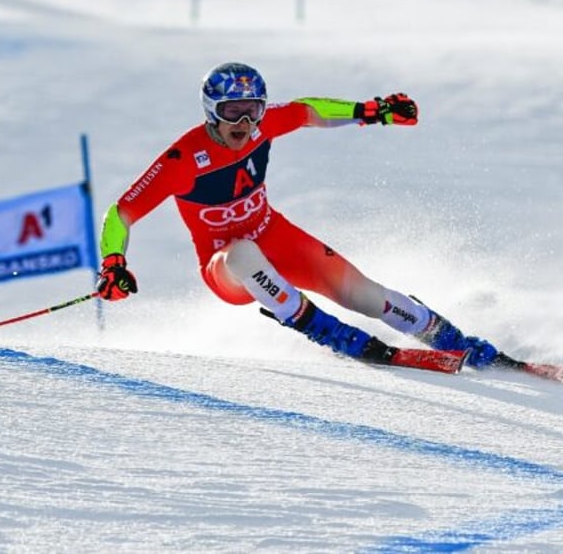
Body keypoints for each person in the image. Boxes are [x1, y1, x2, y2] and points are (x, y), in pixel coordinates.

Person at [95, 61, 504, 368]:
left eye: (252, 110)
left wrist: (370, 111)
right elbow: (121, 213)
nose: (244, 123)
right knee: (241, 252)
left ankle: (454, 339)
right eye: (232, 111)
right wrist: (113, 262)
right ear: (211, 112)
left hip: (276, 236)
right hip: (227, 268)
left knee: (363, 292)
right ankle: (327, 330)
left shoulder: (263, 126)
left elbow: (309, 110)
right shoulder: (183, 159)